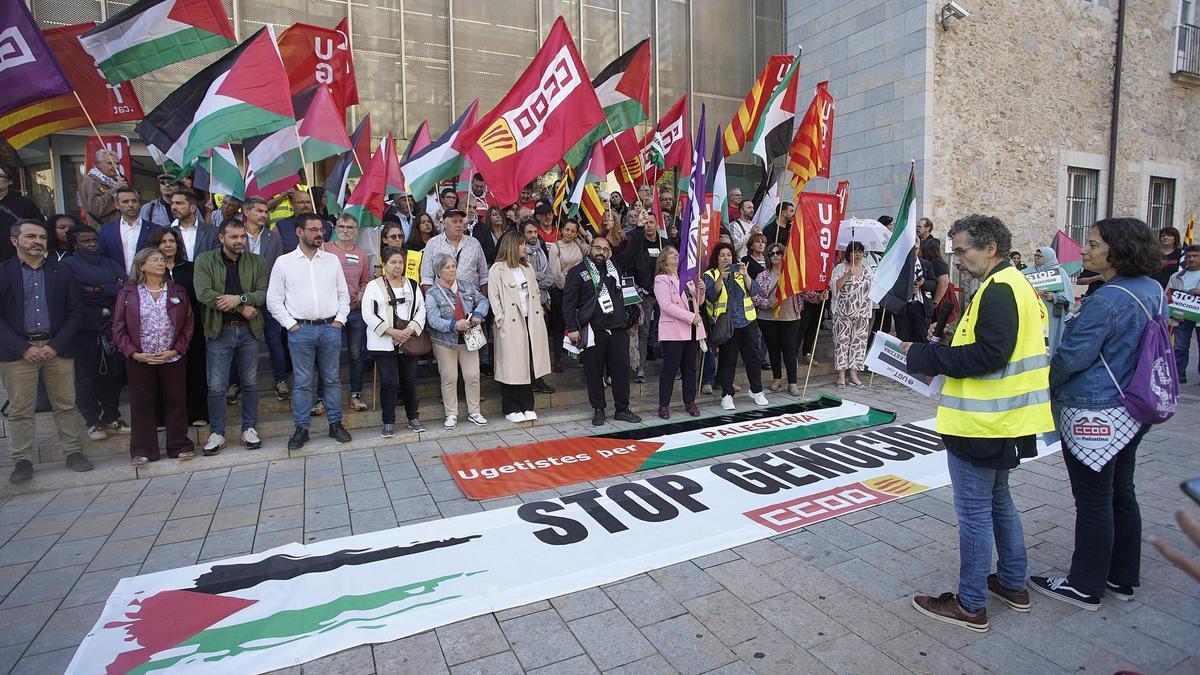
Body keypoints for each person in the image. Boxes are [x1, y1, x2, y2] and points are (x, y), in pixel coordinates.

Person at [904, 214, 1053, 632]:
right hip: (1000, 420)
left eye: (962, 251)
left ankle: (970, 604)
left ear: (990, 248)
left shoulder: (1001, 288)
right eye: (953, 252)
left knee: (974, 513)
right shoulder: (1012, 284)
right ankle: (1012, 583)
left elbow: (988, 355)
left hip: (982, 423)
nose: (956, 260)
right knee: (999, 502)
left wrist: (924, 355)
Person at [1031, 217, 1165, 610]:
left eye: (1093, 244)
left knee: (1093, 499)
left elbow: (1072, 357)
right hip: (1135, 405)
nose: (1084, 250)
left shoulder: (1107, 300)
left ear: (1119, 251)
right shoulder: (1152, 288)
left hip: (1096, 411)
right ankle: (1121, 576)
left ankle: (1084, 585)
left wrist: (1043, 384)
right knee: (1121, 491)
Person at [0, 220, 92, 482]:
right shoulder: (3, 272)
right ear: (14, 240)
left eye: (41, 237)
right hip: (18, 352)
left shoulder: (61, 272)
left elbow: (76, 312)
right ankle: (22, 460)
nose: (38, 241)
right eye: (31, 236)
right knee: (20, 409)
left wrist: (55, 345)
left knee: (66, 404)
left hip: (56, 348)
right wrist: (23, 348)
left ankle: (73, 452)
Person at [266, 212, 352, 450]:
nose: (319, 234)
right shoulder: (284, 262)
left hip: (330, 328)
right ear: (299, 232)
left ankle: (335, 424)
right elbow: (273, 299)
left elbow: (343, 295)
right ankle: (301, 428)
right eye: (313, 230)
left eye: (321, 230)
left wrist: (340, 320)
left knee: (332, 379)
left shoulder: (331, 261)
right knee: (302, 382)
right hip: (300, 329)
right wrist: (290, 324)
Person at [112, 247, 195, 465]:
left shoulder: (177, 291)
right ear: (141, 266)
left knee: (176, 401)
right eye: (155, 259)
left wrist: (176, 349)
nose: (160, 263)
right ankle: (144, 450)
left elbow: (188, 323)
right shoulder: (128, 293)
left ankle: (179, 445)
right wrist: (134, 353)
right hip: (141, 358)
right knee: (142, 404)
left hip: (171, 356)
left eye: (162, 259)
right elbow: (118, 327)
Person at [193, 220, 267, 455]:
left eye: (242, 236)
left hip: (249, 330)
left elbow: (262, 293)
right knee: (216, 386)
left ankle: (249, 429)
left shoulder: (257, 261)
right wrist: (241, 306)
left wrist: (240, 299)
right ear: (221, 238)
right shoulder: (205, 260)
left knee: (250, 382)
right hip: (219, 330)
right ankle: (217, 433)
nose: (239, 241)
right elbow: (204, 293)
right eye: (234, 237)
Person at [564, 236, 642, 426]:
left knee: (621, 372)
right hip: (593, 330)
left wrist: (639, 229)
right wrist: (572, 328)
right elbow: (568, 303)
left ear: (610, 252)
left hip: (618, 329)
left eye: (605, 249)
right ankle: (598, 409)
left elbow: (633, 250)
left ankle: (622, 409)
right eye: (598, 248)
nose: (601, 252)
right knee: (594, 373)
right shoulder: (577, 271)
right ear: (590, 248)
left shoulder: (615, 266)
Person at [63, 225, 129, 440]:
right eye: (86, 241)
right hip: (84, 330)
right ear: (75, 244)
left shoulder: (110, 263)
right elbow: (75, 294)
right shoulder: (67, 266)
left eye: (94, 240)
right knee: (86, 377)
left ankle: (111, 417)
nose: (92, 244)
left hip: (111, 327)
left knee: (113, 375)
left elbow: (124, 288)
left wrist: (97, 289)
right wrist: (109, 289)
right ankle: (92, 421)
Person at [363, 246, 427, 436]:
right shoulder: (374, 286)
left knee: (409, 380)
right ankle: (388, 421)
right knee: (389, 382)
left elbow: (421, 309)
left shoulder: (412, 284)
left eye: (400, 262)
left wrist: (408, 331)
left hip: (408, 340)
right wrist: (392, 332)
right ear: (384, 264)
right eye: (393, 262)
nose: (397, 266)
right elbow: (369, 314)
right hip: (383, 342)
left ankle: (413, 417)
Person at [489, 232, 552, 423]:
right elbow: (494, 298)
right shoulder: (497, 269)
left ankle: (527, 405)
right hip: (510, 323)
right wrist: (501, 320)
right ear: (511, 246)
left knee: (526, 364)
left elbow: (535, 293)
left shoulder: (527, 267)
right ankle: (511, 407)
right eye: (521, 244)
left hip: (530, 320)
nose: (524, 247)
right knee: (511, 366)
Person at [149, 227, 208, 426]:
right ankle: (162, 418)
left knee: (195, 370)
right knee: (162, 375)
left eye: (172, 241)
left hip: (192, 329)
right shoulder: (151, 270)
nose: (168, 245)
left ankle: (198, 414)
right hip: (160, 332)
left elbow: (199, 296)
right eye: (163, 242)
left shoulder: (191, 268)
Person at [425, 252, 489, 428]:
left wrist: (478, 314)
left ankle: (474, 412)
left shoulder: (467, 287)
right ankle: (451, 414)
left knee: (473, 376)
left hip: (468, 338)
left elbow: (483, 300)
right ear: (438, 271)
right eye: (447, 267)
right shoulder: (432, 293)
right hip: (444, 341)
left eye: (453, 266)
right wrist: (454, 325)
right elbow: (433, 320)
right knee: (449, 377)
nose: (452, 269)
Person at [317, 214, 373, 414]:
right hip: (332, 312)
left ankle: (355, 395)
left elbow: (365, 281)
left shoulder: (361, 254)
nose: (345, 231)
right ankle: (322, 398)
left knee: (356, 354)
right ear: (336, 228)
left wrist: (362, 293)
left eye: (350, 227)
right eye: (342, 226)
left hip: (355, 312)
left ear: (356, 230)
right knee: (328, 354)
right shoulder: (324, 249)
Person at [704, 242, 768, 410]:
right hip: (727, 324)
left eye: (729, 255)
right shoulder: (710, 274)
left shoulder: (740, 272)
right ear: (716, 258)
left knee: (753, 358)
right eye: (722, 255)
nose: (726, 258)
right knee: (728, 359)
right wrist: (721, 277)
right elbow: (711, 296)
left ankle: (756, 390)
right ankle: (727, 394)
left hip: (748, 321)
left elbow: (755, 290)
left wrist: (745, 274)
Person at [654, 246, 705, 418]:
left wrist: (701, 289)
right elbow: (666, 306)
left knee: (689, 369)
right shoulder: (661, 279)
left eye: (677, 253)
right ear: (664, 259)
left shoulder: (687, 277)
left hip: (691, 330)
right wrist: (690, 317)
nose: (676, 255)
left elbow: (699, 301)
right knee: (670, 369)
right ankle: (663, 405)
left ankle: (690, 401)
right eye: (671, 253)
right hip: (674, 330)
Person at [620, 211, 665, 384]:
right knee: (643, 332)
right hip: (644, 295)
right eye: (646, 223)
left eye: (652, 222)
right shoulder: (637, 244)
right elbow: (629, 266)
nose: (649, 225)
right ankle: (641, 367)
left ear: (657, 225)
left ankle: (670, 366)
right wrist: (637, 287)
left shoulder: (665, 243)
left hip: (664, 294)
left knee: (666, 330)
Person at [753, 243, 803, 394]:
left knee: (790, 349)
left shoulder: (793, 274)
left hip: (790, 317)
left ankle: (792, 382)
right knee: (773, 349)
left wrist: (819, 297)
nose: (775, 255)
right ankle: (777, 378)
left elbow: (806, 292)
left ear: (784, 255)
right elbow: (754, 296)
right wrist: (768, 303)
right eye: (771, 253)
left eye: (778, 253)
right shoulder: (762, 275)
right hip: (768, 318)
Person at [830, 241, 873, 388]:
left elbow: (872, 288)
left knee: (859, 343)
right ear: (849, 253)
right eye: (855, 251)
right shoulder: (840, 268)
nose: (858, 254)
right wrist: (848, 274)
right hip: (842, 312)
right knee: (841, 343)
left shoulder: (867, 270)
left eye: (860, 252)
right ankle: (841, 375)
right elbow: (835, 287)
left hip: (862, 312)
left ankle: (854, 375)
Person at [548, 218, 588, 372]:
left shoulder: (578, 244)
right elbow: (556, 273)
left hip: (580, 290)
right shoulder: (555, 247)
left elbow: (592, 248)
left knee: (580, 322)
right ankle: (558, 359)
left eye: (573, 231)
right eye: (567, 230)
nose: (569, 233)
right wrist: (568, 289)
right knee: (560, 325)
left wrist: (585, 234)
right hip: (562, 291)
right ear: (562, 230)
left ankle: (581, 355)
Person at [419, 208, 489, 294]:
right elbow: (427, 278)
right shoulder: (433, 243)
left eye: (461, 221)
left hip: (471, 297)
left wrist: (483, 299)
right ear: (444, 223)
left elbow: (484, 276)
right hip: (443, 297)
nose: (458, 225)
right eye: (454, 222)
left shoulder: (474, 243)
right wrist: (432, 298)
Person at [98, 187, 158, 274]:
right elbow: (103, 258)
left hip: (147, 278)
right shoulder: (106, 230)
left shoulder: (154, 229)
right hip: (116, 279)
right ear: (117, 205)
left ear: (139, 203)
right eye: (125, 201)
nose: (131, 205)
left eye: (134, 201)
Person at [1025, 246, 1072, 354]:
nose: (1036, 258)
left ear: (1048, 257)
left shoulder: (1059, 272)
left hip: (1052, 314)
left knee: (1050, 338)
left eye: (1039, 256)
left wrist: (1054, 296)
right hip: (1033, 312)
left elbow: (1068, 296)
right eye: (1035, 255)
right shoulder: (1027, 273)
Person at [1168, 244, 1200, 383]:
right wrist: (1172, 312)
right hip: (1181, 316)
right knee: (1180, 347)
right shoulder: (1176, 276)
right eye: (1188, 256)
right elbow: (1168, 296)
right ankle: (1178, 374)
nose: (1191, 259)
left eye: (1195, 256)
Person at [0, 166, 44, 262]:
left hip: (16, 259)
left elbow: (40, 229)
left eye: (0, 176)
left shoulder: (24, 204)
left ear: (9, 181)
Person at [79, 149, 125, 227]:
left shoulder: (115, 180)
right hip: (103, 228)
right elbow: (96, 208)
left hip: (119, 226)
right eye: (110, 163)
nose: (116, 166)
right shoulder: (91, 181)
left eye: (117, 163)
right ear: (99, 164)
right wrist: (115, 190)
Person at [170, 191, 218, 261]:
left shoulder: (213, 232)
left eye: (179, 203)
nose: (173, 207)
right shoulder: (166, 231)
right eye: (172, 203)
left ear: (192, 208)